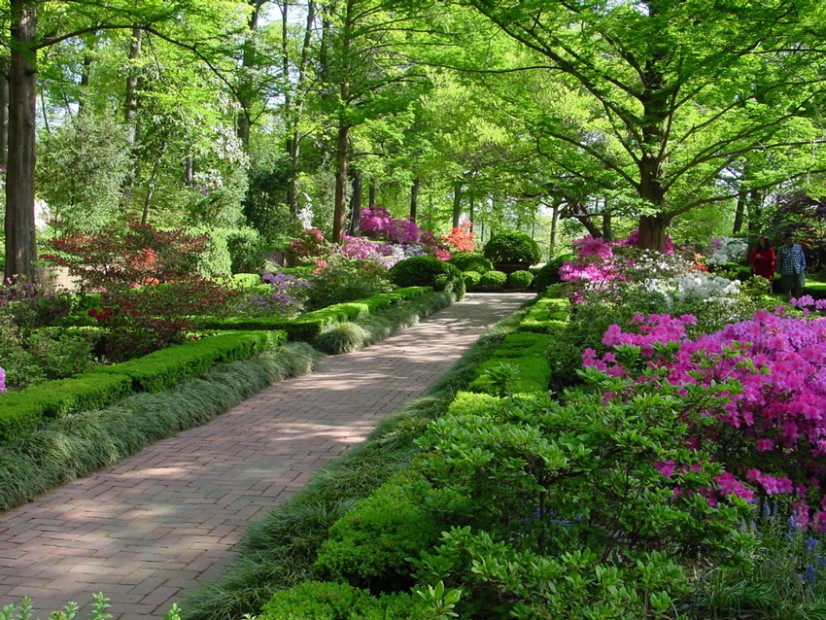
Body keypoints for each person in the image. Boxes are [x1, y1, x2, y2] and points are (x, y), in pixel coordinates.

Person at [776, 232, 806, 300]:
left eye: (792, 239)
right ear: (786, 240)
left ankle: (796, 301)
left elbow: (802, 258)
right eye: (789, 239)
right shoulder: (781, 249)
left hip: (798, 270)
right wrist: (779, 270)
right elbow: (778, 260)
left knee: (800, 285)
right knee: (787, 287)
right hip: (786, 271)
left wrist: (803, 267)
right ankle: (791, 303)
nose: (791, 240)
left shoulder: (798, 247)